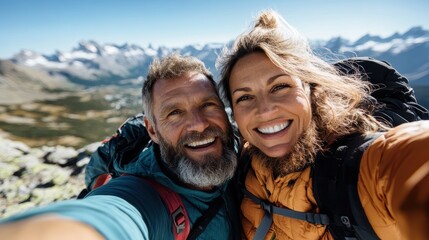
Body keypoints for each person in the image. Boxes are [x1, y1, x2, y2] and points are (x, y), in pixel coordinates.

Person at [217, 10, 429, 240]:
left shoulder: (356, 168)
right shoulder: (240, 169)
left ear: (311, 89)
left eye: (280, 87)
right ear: (234, 114)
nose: (265, 110)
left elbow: (408, 161)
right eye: (244, 97)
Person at [0, 54, 241, 240]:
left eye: (208, 105)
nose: (198, 125)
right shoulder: (143, 194)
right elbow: (112, 214)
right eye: (175, 112)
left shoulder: (243, 151)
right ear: (152, 131)